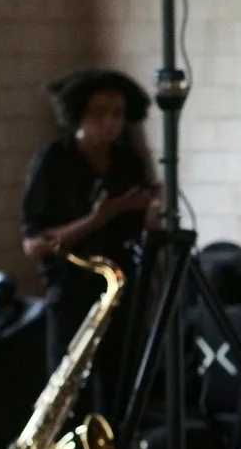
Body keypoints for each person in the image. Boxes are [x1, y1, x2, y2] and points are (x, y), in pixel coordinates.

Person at [20, 68, 157, 390]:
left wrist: (152, 209)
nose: (110, 122)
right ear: (78, 114)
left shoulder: (128, 161)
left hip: (121, 295)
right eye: (99, 113)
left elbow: (142, 229)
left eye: (118, 114)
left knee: (120, 392)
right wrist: (99, 217)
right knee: (68, 393)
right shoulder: (53, 160)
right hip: (71, 296)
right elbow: (33, 245)